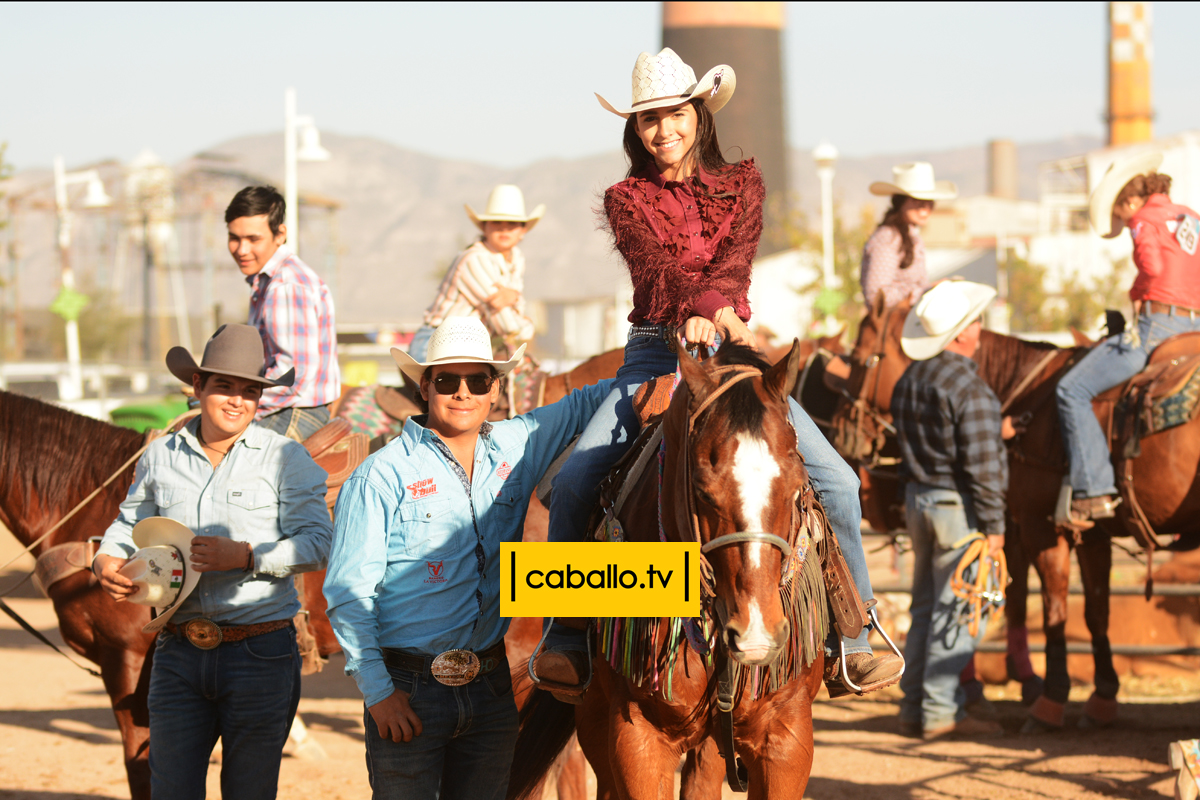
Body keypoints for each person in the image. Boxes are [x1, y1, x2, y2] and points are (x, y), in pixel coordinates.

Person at [535, 46, 902, 701]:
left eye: (675, 114)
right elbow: (658, 272)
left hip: (733, 356)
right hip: (655, 354)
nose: (663, 129)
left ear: (699, 115)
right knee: (575, 482)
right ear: (635, 128)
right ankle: (565, 636)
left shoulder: (742, 185)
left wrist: (721, 317)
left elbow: (733, 265)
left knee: (841, 484)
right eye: (649, 118)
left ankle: (853, 638)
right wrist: (705, 313)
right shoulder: (626, 200)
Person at [322, 316, 613, 800]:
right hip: (409, 688)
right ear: (424, 386)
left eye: (478, 380)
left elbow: (589, 400)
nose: (463, 392)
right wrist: (379, 694)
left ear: (495, 388)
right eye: (447, 381)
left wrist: (669, 346)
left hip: (490, 687)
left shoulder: (519, 443)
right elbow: (349, 593)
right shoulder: (380, 475)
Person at [91, 323, 334, 799]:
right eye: (225, 386)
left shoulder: (287, 458)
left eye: (250, 391)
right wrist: (107, 557)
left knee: (249, 791)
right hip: (178, 652)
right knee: (171, 791)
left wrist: (246, 555)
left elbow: (318, 543)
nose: (237, 400)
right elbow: (129, 521)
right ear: (198, 385)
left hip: (260, 652)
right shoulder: (159, 456)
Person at [1056, 152, 1200, 527]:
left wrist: (1138, 292)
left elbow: (1153, 266)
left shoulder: (1143, 219)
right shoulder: (1189, 216)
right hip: (1195, 329)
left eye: (1120, 213)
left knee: (1071, 390)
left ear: (1130, 200)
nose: (1123, 220)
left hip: (1160, 326)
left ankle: (1094, 490)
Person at [891, 280, 1006, 739]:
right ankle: (940, 712)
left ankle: (912, 707)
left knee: (924, 606)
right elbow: (983, 466)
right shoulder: (970, 389)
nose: (980, 328)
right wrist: (994, 526)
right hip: (954, 508)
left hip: (918, 499)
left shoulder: (909, 380)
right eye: (976, 321)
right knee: (957, 608)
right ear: (962, 333)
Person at [226, 185, 341, 441]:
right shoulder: (269, 282)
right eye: (235, 238)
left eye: (253, 239)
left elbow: (292, 376)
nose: (242, 249)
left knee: (225, 457)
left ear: (280, 235)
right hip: (286, 406)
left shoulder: (285, 285)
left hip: (295, 411)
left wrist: (240, 403)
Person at [408, 185, 544, 363]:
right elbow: (504, 322)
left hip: (471, 344)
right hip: (437, 343)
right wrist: (528, 326)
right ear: (483, 227)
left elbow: (514, 308)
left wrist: (514, 296)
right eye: (497, 223)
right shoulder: (474, 259)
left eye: (512, 224)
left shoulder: (517, 259)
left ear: (523, 230)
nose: (504, 229)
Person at [862, 162, 958, 308]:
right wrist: (925, 290)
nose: (925, 208)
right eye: (917, 201)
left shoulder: (912, 236)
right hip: (895, 321)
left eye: (929, 201)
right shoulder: (888, 238)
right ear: (900, 202)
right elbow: (876, 296)